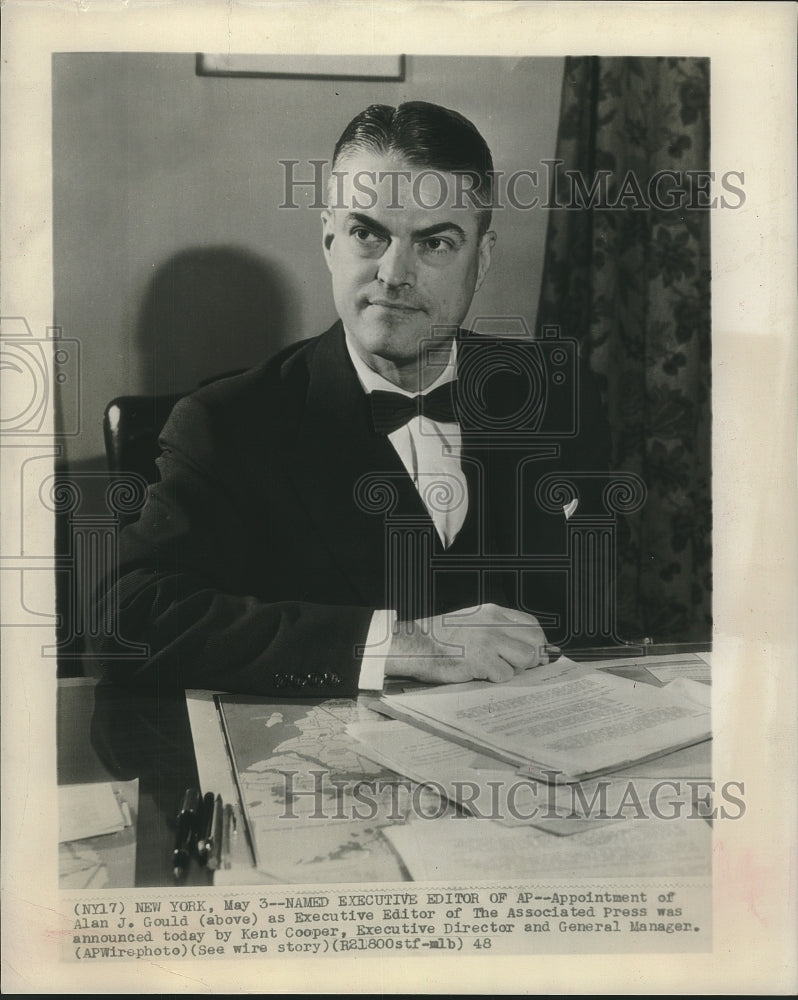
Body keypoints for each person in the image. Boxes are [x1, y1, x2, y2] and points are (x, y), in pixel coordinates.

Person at [99, 101, 610, 696]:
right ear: (329, 239)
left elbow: (597, 612)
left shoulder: (553, 391)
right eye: (368, 234)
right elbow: (127, 619)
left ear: (483, 258)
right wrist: (402, 642)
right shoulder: (227, 423)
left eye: (436, 243)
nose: (394, 273)